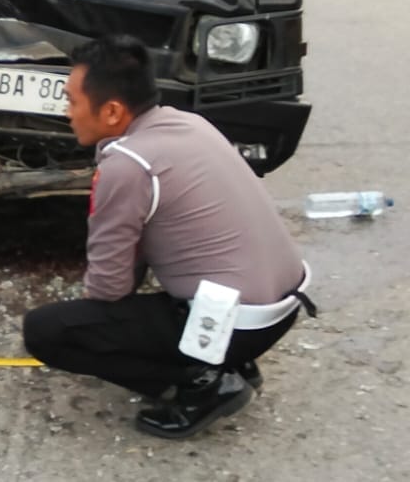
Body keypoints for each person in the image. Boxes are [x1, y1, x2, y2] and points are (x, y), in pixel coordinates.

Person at [22, 34, 314, 440]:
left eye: (72, 101)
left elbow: (109, 288)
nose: (67, 112)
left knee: (47, 331)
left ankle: (200, 382)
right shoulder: (188, 123)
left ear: (110, 111)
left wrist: (103, 330)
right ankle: (228, 362)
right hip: (281, 306)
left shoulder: (127, 166)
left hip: (236, 324)